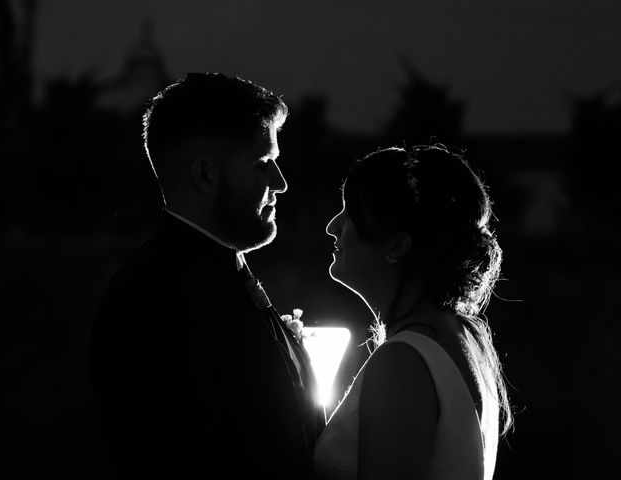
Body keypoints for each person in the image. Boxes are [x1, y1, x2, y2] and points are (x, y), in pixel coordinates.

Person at [89, 73, 325, 479]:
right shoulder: (149, 301)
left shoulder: (215, 271)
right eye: (263, 164)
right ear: (205, 175)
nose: (280, 184)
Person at [314, 144, 513, 480]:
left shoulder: (403, 360)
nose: (333, 226)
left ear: (397, 245)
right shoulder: (460, 335)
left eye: (351, 214)